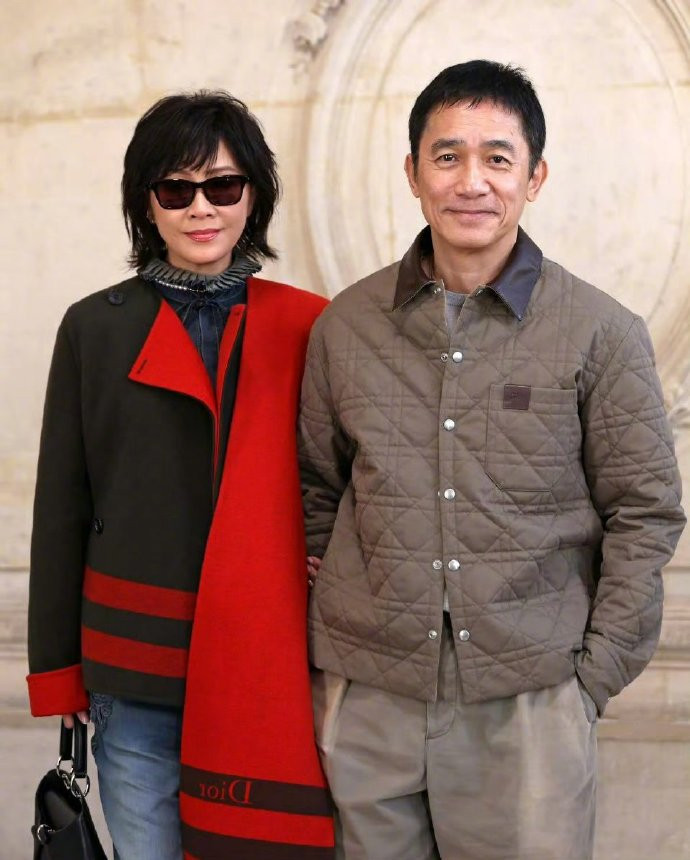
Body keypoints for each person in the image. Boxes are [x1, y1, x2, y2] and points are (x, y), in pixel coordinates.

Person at [299, 60, 685, 860]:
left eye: (497, 158)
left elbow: (645, 510)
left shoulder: (600, 331)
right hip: (369, 700)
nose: (471, 181)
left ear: (534, 177)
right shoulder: (346, 327)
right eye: (447, 156)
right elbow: (317, 489)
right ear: (413, 174)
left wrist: (591, 679)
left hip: (532, 704)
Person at [27, 91, 334, 860]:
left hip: (266, 659)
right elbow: (62, 506)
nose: (202, 208)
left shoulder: (308, 323)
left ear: (253, 196)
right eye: (176, 189)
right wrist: (59, 675)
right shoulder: (94, 326)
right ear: (147, 204)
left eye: (223, 186)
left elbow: (342, 486)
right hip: (133, 666)